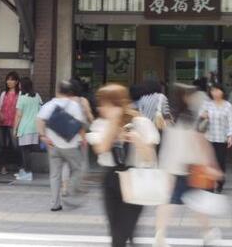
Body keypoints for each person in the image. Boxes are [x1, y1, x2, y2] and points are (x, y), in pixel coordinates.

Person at [87, 83, 160, 247]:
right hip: (111, 179)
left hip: (136, 180)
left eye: (103, 103)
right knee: (115, 229)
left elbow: (150, 158)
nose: (100, 108)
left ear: (117, 103)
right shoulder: (101, 124)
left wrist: (137, 140)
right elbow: (101, 149)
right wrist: (114, 124)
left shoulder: (141, 122)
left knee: (121, 234)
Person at [155, 84, 223, 247]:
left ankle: (160, 235)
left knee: (169, 202)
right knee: (196, 201)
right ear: (185, 97)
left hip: (170, 164)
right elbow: (201, 142)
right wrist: (212, 165)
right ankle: (208, 233)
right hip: (190, 165)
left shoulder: (168, 116)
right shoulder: (192, 117)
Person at [38, 80, 86, 211]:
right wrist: (83, 138)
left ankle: (55, 204)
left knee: (55, 175)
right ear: (70, 92)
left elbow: (39, 120)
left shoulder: (49, 105)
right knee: (78, 169)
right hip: (70, 146)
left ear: (57, 91)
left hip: (53, 146)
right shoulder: (75, 105)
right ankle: (68, 191)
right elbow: (80, 125)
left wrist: (43, 136)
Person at [200, 83, 232, 193]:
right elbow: (199, 117)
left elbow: (231, 122)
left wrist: (230, 136)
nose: (215, 93)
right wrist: (202, 115)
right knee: (208, 162)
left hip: (221, 138)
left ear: (222, 92)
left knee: (220, 162)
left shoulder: (228, 105)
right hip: (208, 138)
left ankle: (219, 183)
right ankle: (209, 185)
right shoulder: (207, 104)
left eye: (217, 90)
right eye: (213, 90)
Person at [14, 76, 42, 181]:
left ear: (23, 85)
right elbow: (40, 109)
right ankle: (24, 172)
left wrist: (14, 128)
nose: (19, 86)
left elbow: (18, 115)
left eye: (20, 84)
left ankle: (27, 173)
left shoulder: (22, 98)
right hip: (34, 127)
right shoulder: (37, 96)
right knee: (28, 151)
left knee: (24, 151)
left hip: (24, 127)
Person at [0, 71, 20, 175]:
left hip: (13, 123)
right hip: (2, 122)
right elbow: (0, 107)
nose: (9, 82)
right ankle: (3, 166)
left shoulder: (20, 94)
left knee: (15, 145)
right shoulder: (3, 94)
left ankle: (20, 166)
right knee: (3, 145)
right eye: (8, 79)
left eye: (12, 79)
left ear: (16, 81)